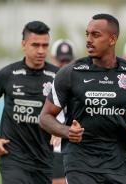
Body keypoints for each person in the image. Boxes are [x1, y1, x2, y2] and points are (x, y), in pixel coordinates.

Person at [39, 13, 126, 184]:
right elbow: (44, 117)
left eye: (95, 35)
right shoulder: (69, 73)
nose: (88, 40)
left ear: (112, 39)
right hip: (80, 164)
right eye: (87, 34)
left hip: (118, 164)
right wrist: (67, 132)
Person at [0, 21, 59, 184]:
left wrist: (60, 128)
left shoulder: (58, 76)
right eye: (35, 45)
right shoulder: (7, 74)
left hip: (44, 159)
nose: (41, 51)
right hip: (13, 158)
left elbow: (73, 107)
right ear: (24, 45)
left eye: (45, 46)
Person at [49, 39, 75, 184]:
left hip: (72, 146)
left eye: (68, 61)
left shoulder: (79, 83)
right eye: (61, 61)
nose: (64, 65)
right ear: (53, 59)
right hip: (52, 146)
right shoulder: (47, 82)